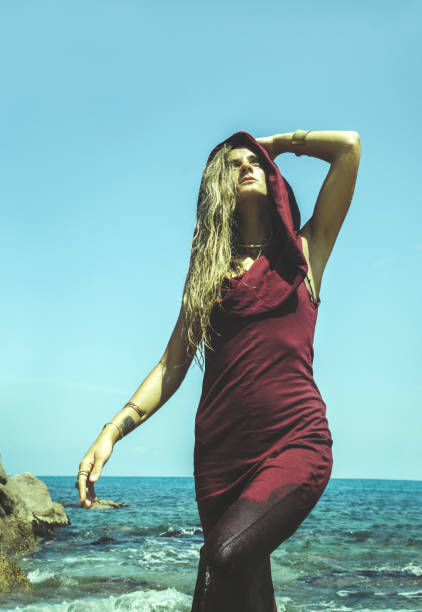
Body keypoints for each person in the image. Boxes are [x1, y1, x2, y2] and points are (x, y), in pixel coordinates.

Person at [76, 129, 361, 611]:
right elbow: (172, 364)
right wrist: (111, 432)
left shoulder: (306, 253)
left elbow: (348, 148)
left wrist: (278, 143)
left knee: (224, 556)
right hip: (218, 462)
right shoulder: (207, 274)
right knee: (247, 596)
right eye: (235, 163)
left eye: (257, 161)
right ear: (217, 184)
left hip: (295, 442)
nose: (249, 165)